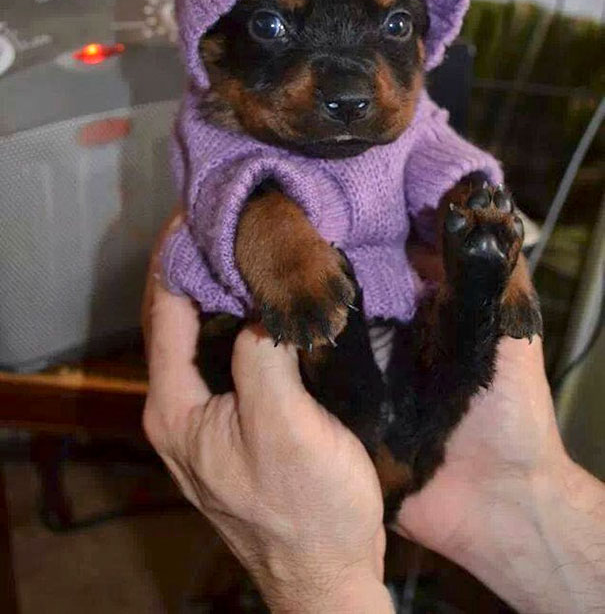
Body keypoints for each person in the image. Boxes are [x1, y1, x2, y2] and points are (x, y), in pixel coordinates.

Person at [142, 220, 605, 613]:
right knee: (444, 385)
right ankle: (469, 303)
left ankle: (440, 309)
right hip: (414, 420)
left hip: (364, 404)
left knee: (406, 393)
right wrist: (523, 486)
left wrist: (318, 578)